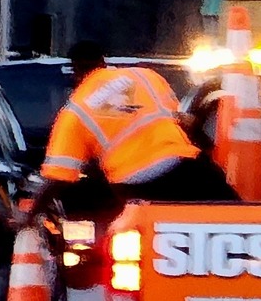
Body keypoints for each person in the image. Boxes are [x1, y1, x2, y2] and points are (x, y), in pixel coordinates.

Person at [25, 39, 233, 212]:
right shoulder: (144, 76)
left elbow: (58, 178)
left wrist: (30, 216)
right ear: (103, 61)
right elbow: (183, 122)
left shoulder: (74, 111)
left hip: (133, 184)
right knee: (232, 212)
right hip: (180, 166)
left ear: (75, 70)